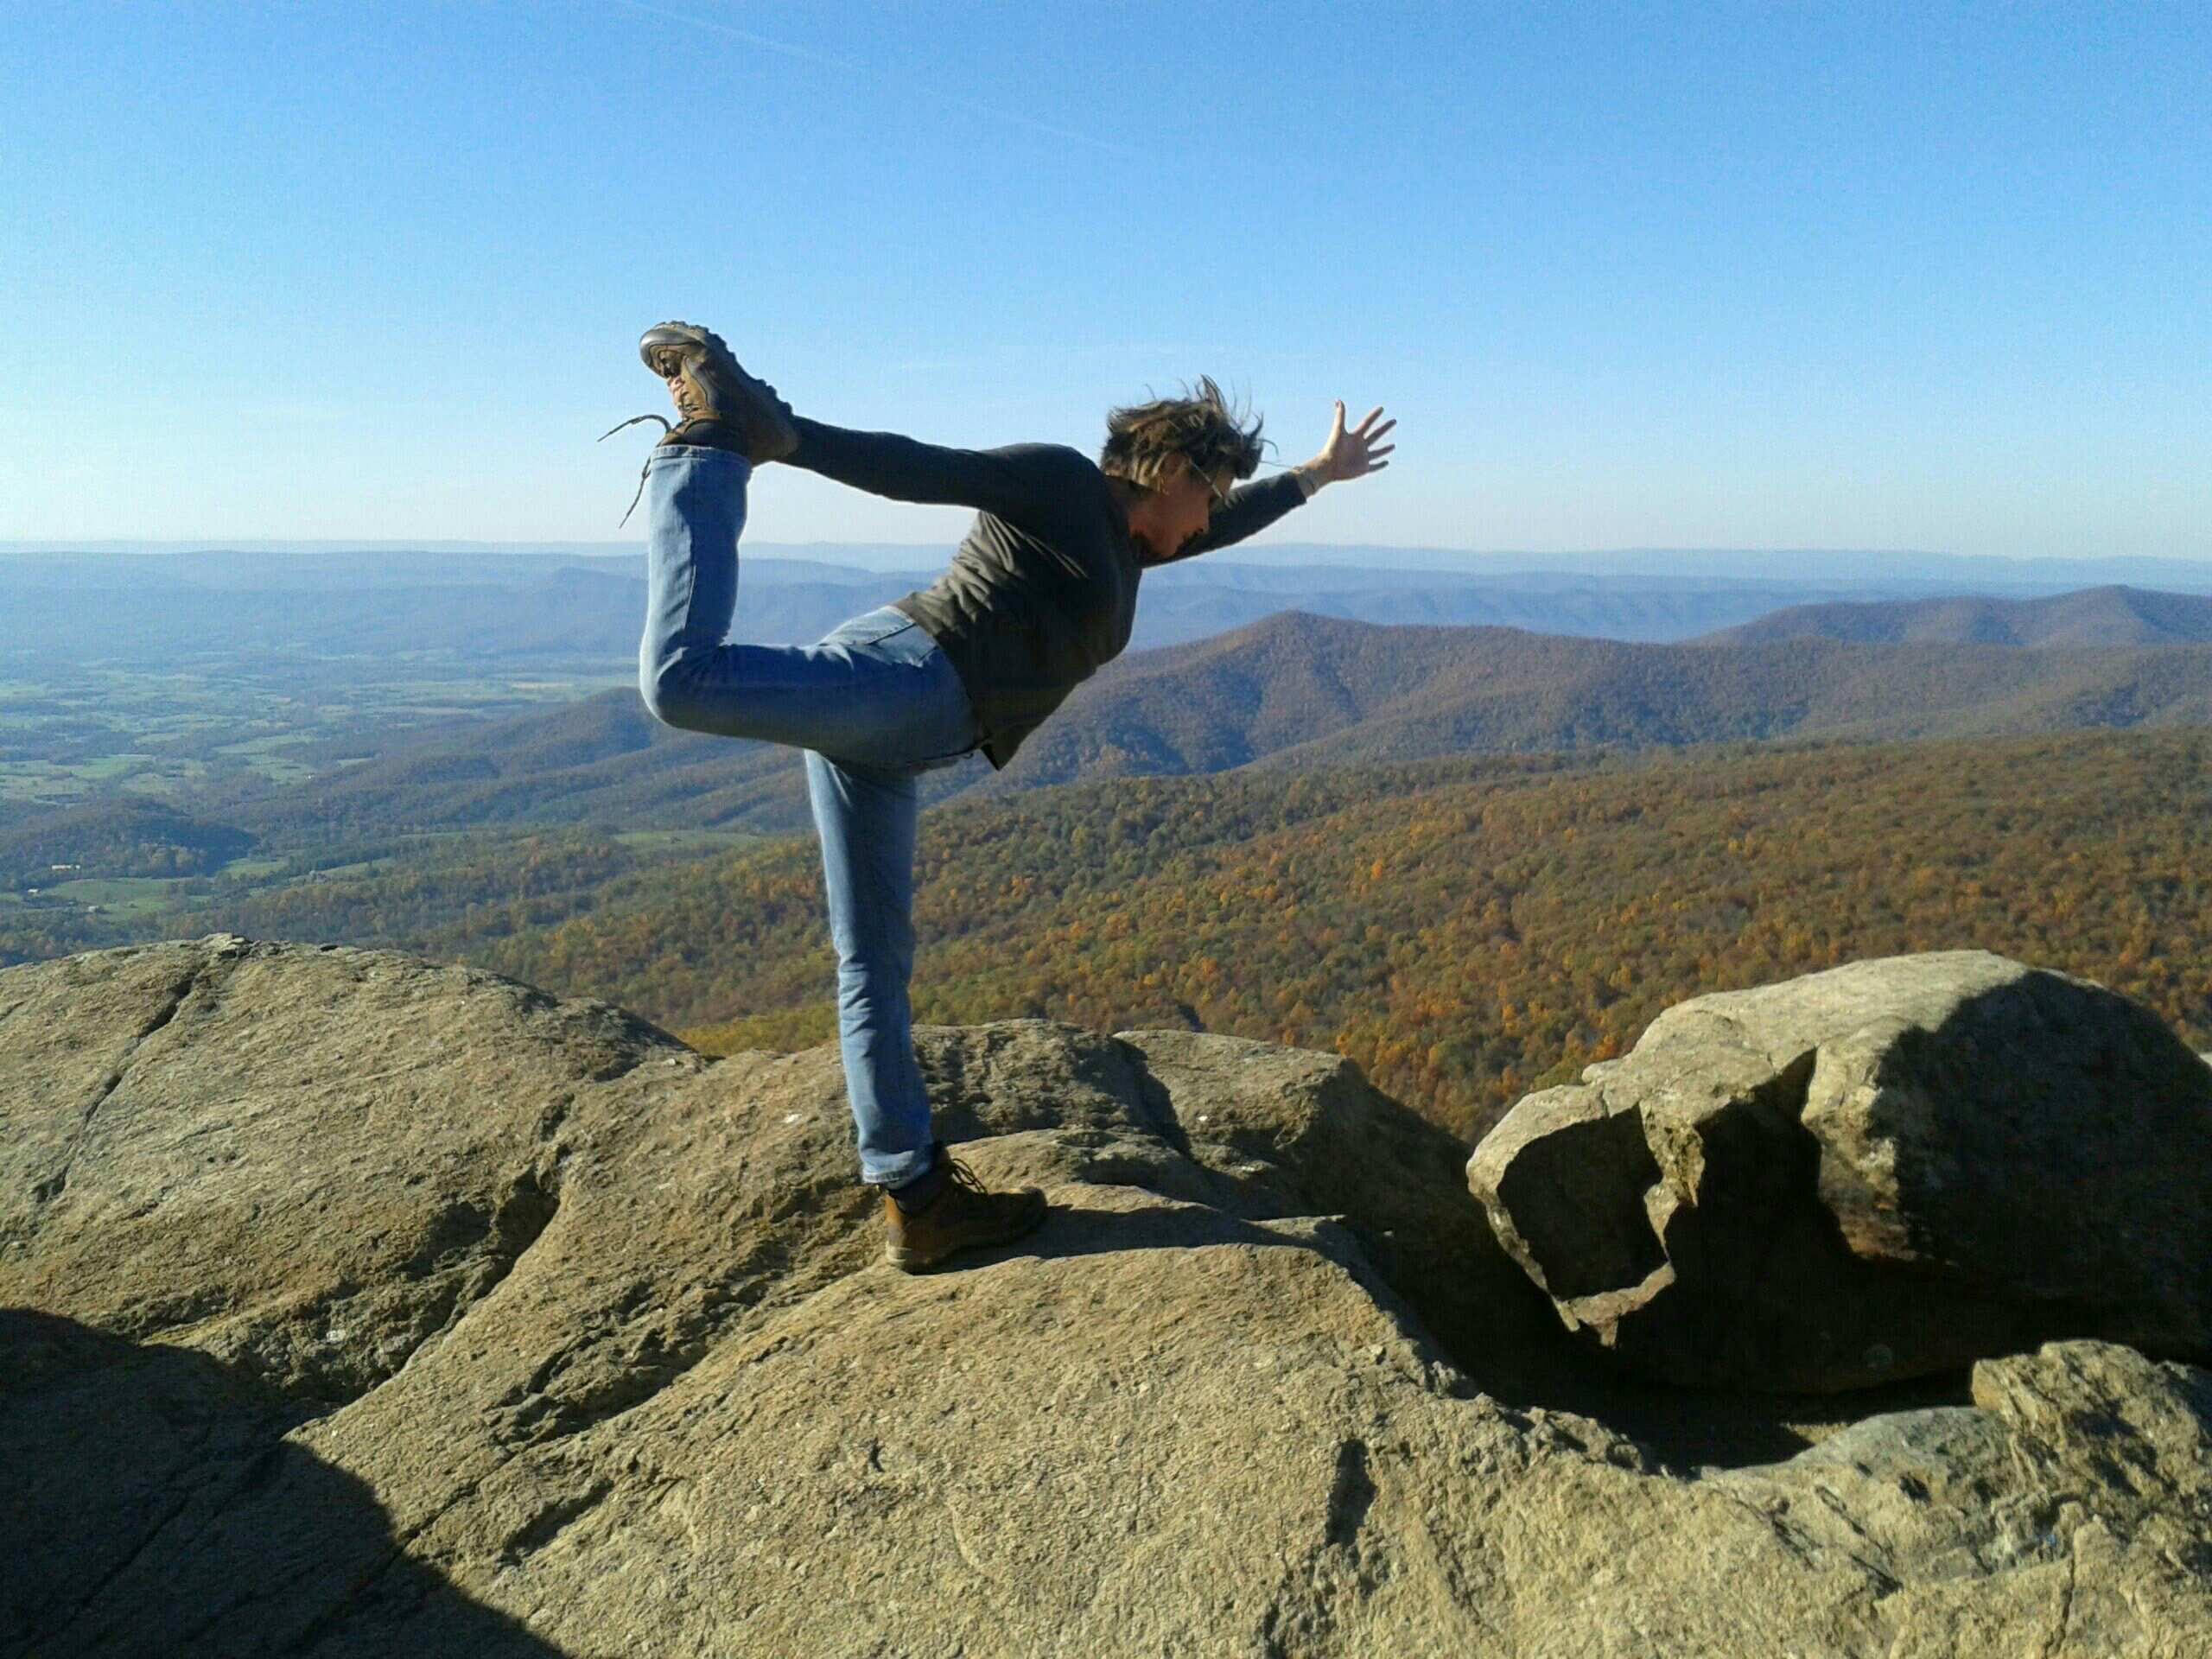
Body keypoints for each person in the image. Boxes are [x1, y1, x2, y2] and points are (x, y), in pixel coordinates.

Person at [613, 321, 1395, 1273]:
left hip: (896, 726)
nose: (1207, 520)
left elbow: (1212, 529)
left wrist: (1317, 473)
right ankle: (706, 451)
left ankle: (917, 1196)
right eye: (1207, 492)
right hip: (907, 685)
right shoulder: (1064, 483)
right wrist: (783, 440)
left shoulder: (1122, 543)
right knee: (683, 684)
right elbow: (921, 466)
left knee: (872, 962)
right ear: (1166, 467)